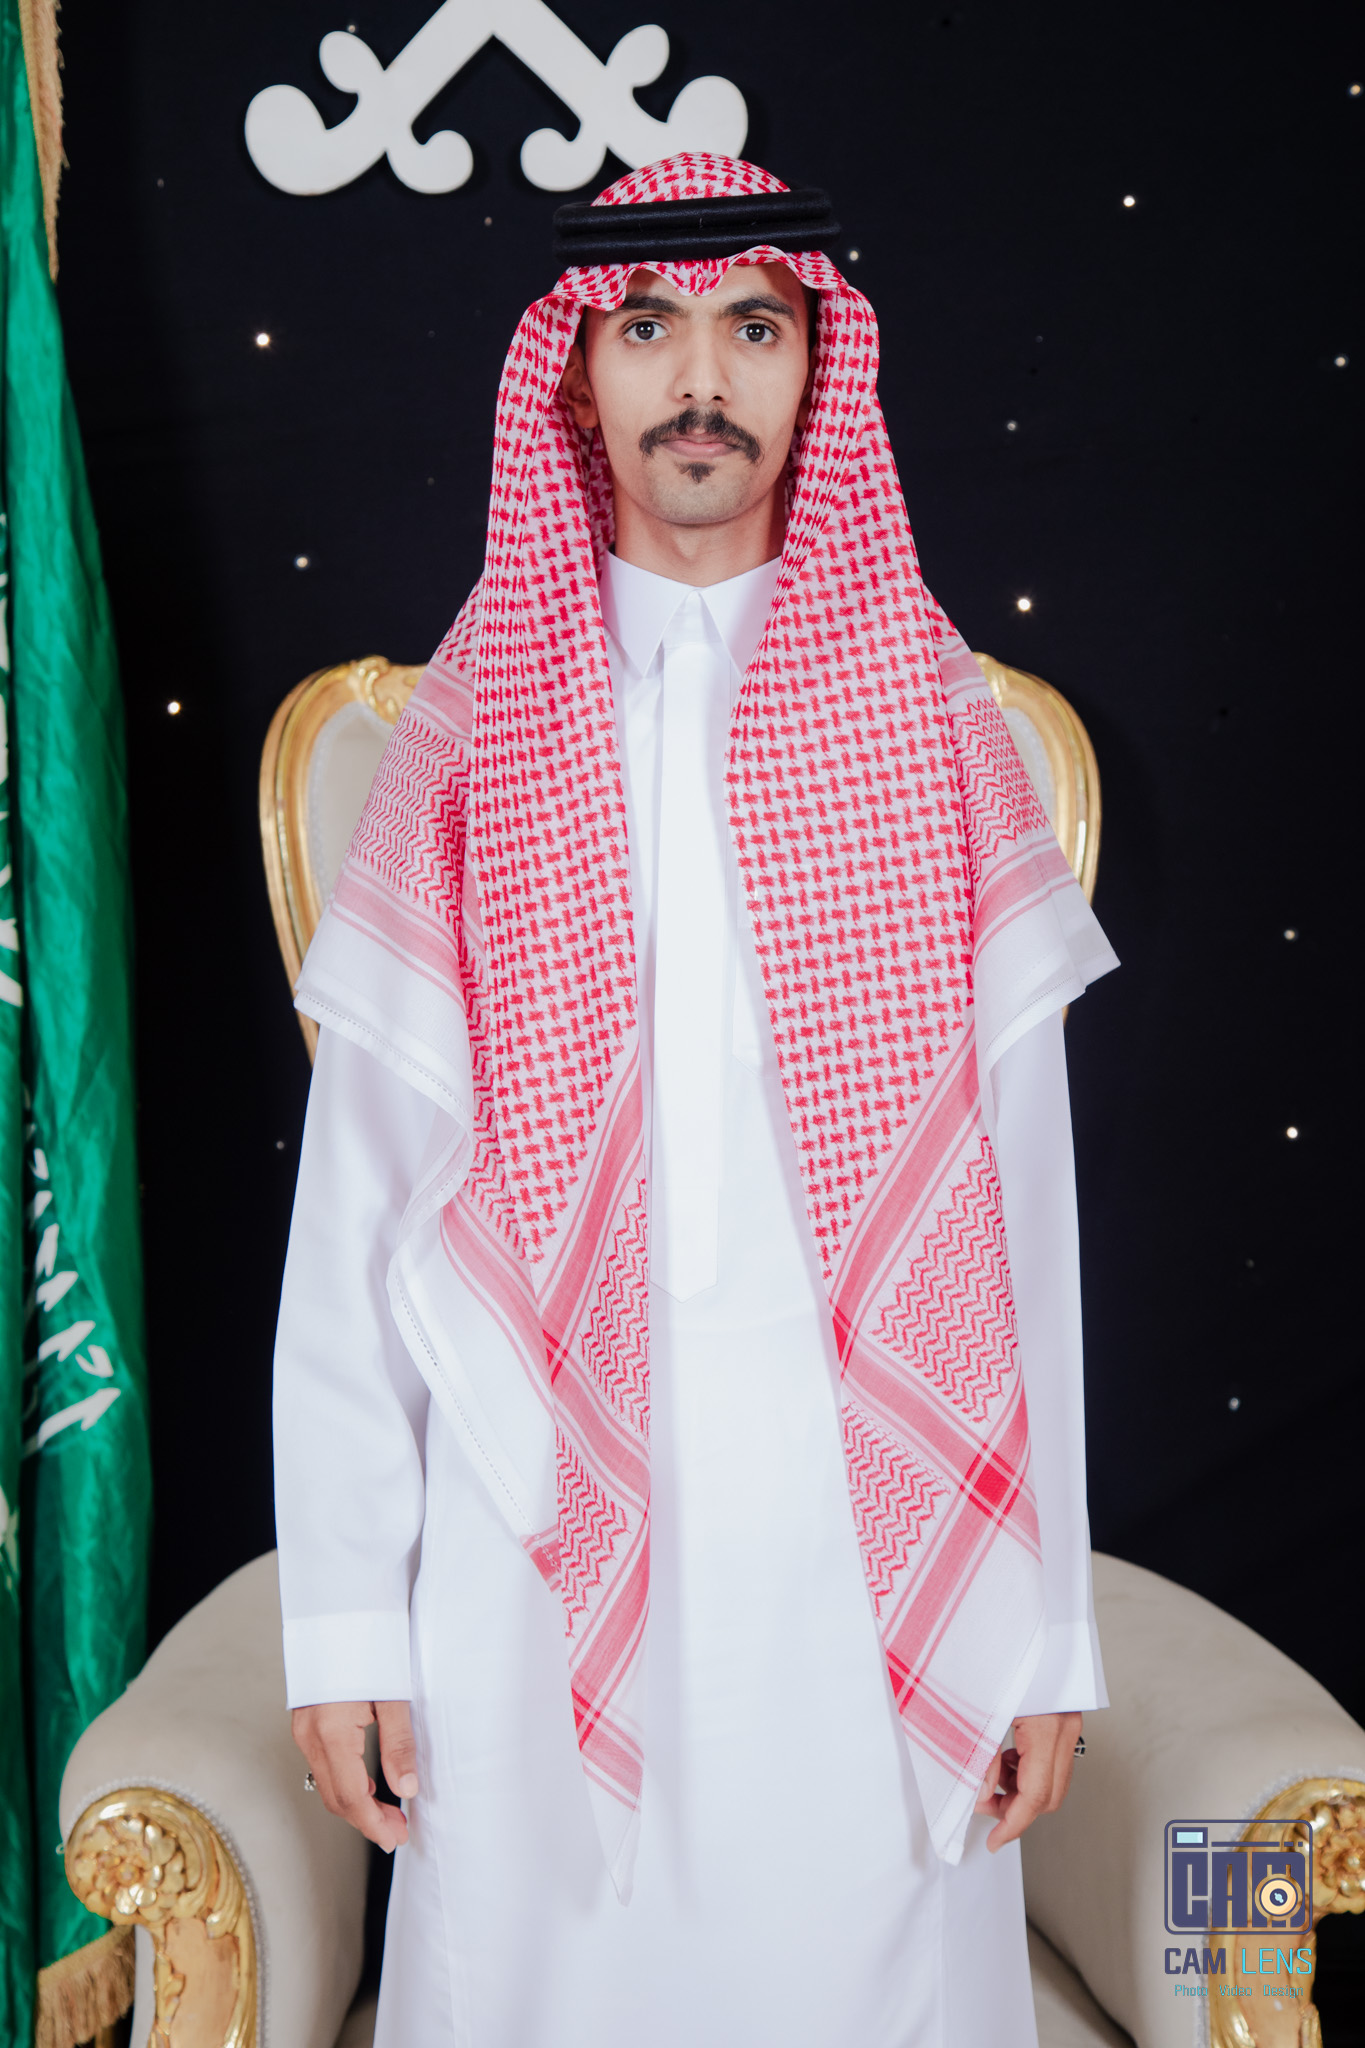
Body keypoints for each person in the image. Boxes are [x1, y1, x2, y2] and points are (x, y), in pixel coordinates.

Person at [273, 153, 1118, 2048]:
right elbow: (362, 1206)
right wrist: (339, 1618)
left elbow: (1023, 1220)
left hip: (866, 1531)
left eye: (754, 327)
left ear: (820, 373)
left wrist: (1043, 1626)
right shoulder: (470, 744)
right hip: (523, 1529)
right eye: (647, 328)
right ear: (576, 382)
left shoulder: (936, 734)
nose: (701, 380)